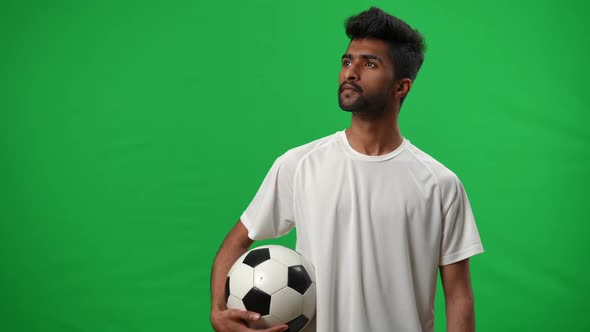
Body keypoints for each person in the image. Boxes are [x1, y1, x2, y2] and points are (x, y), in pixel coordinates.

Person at [210, 6, 484, 332]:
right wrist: (217, 311)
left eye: (369, 63)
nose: (350, 72)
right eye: (346, 61)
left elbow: (458, 297)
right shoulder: (300, 164)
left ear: (402, 86)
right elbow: (240, 238)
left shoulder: (440, 184)